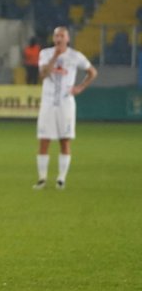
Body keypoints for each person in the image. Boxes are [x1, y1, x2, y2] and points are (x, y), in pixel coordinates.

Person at [33, 26, 98, 190]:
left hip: (65, 103)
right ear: (53, 38)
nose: (59, 39)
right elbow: (43, 75)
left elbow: (92, 72)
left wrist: (80, 87)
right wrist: (55, 56)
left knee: (65, 140)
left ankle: (61, 179)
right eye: (56, 36)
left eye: (62, 36)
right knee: (44, 141)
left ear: (67, 39)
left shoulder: (75, 56)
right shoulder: (45, 54)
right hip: (48, 103)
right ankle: (42, 178)